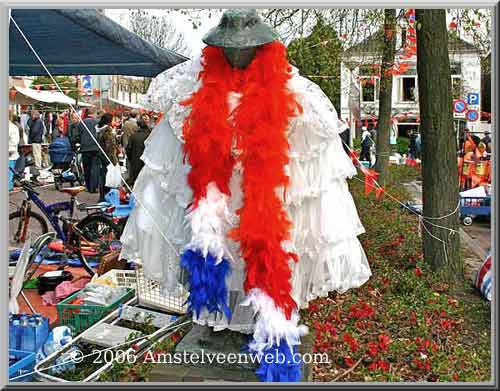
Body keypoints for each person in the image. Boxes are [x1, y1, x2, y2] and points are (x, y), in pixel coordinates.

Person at [120, 9, 371, 383]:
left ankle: (268, 327)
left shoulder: (292, 91)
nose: (237, 54)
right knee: (212, 244)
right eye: (229, 48)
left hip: (266, 197)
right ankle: (214, 318)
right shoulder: (191, 87)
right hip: (214, 197)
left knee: (265, 254)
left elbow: (311, 157)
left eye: (246, 48)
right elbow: (175, 160)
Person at [96, 113, 119, 202]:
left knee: (103, 176)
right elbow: (109, 146)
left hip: (101, 156)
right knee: (108, 177)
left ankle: (102, 196)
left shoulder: (99, 129)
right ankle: (105, 197)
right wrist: (114, 160)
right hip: (108, 157)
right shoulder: (107, 131)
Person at [79, 107, 100, 193]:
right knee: (95, 167)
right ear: (94, 113)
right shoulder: (97, 122)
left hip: (85, 148)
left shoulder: (82, 123)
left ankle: (88, 185)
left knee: (86, 167)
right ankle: (93, 186)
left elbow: (79, 134)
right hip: (95, 147)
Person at [126, 116, 151, 187]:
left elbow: (128, 149)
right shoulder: (149, 136)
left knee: (135, 181)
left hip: (135, 161)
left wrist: (131, 158)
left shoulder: (133, 136)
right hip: (146, 162)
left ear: (139, 126)